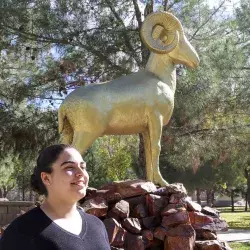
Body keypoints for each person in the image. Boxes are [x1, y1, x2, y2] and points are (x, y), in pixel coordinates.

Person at [0, 144, 110, 250]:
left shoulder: (97, 225)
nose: (81, 173)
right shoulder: (22, 231)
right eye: (70, 167)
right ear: (46, 178)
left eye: (83, 167)